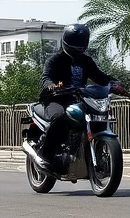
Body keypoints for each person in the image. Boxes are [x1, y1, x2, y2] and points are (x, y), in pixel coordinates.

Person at [36, 24, 112, 164]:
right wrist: (51, 86)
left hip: (79, 100)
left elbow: (99, 76)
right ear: (66, 41)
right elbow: (46, 77)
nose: (79, 48)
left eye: (81, 44)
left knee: (97, 117)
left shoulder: (86, 61)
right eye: (76, 44)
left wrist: (114, 83)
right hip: (56, 99)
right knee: (59, 117)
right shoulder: (55, 60)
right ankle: (47, 155)